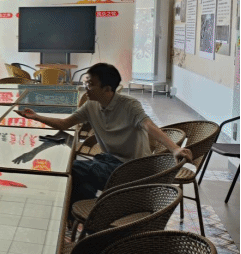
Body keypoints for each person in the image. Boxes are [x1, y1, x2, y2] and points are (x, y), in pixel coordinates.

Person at [19, 63, 193, 208]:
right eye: (86, 83)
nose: (86, 88)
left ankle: (82, 217)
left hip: (132, 169)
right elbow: (64, 124)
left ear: (107, 89)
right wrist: (36, 117)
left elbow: (149, 125)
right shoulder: (91, 106)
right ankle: (85, 217)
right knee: (82, 180)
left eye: (91, 84)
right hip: (107, 162)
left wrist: (175, 149)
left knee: (72, 168)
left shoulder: (129, 105)